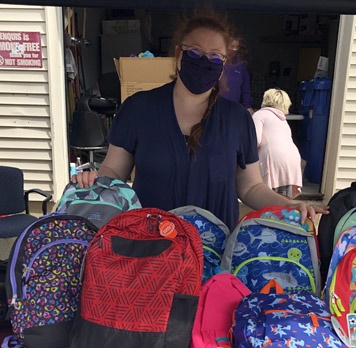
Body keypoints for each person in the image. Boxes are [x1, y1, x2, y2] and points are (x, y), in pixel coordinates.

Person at [73, 11, 328, 231]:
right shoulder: (139, 109)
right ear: (179, 54)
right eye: (195, 52)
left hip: (214, 255)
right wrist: (94, 182)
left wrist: (290, 205)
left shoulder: (237, 119)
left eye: (215, 56)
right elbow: (114, 172)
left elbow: (250, 187)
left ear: (224, 64)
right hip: (148, 251)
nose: (205, 61)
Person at [252, 88, 303, 199]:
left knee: (267, 200)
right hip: (291, 160)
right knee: (283, 201)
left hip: (273, 160)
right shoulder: (283, 120)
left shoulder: (259, 115)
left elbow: (254, 140)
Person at [219, 32, 254, 115]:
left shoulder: (240, 65)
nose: (234, 50)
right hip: (215, 107)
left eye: (236, 47)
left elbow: (246, 89)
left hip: (233, 109)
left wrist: (247, 106)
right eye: (232, 46)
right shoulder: (216, 61)